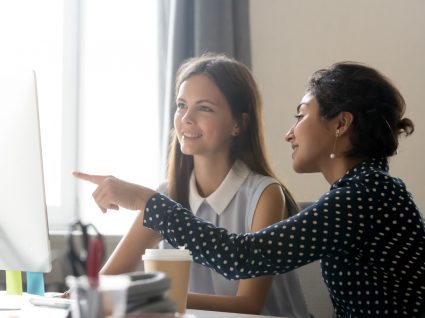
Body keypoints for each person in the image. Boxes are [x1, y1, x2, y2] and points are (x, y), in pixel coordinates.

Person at [75, 61, 425, 317]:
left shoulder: (365, 195)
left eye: (301, 115)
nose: (290, 133)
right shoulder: (363, 192)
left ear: (341, 123)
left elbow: (243, 257)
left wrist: (146, 201)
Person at [74, 54, 310, 317]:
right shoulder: (168, 196)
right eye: (181, 105)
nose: (186, 118)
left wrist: (155, 298)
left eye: (204, 108)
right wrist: (75, 296)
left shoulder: (265, 195)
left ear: (238, 123)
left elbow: (248, 304)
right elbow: (107, 280)